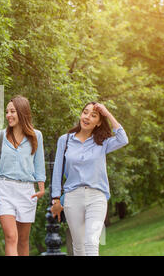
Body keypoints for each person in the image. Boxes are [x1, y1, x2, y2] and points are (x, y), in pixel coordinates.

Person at [50, 102, 128, 256]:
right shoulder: (64, 141)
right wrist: (56, 200)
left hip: (97, 197)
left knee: (91, 243)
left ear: (98, 122)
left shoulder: (102, 142)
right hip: (73, 197)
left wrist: (107, 113)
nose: (87, 117)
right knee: (79, 247)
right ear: (81, 115)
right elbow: (57, 171)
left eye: (93, 115)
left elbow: (123, 139)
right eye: (85, 112)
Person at [0, 95, 46, 256]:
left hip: (27, 191)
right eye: (7, 112)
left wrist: (41, 188)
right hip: (4, 190)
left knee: (23, 240)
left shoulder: (36, 136)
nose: (8, 115)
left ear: (22, 112)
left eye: (12, 111)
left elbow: (39, 165)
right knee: (11, 236)